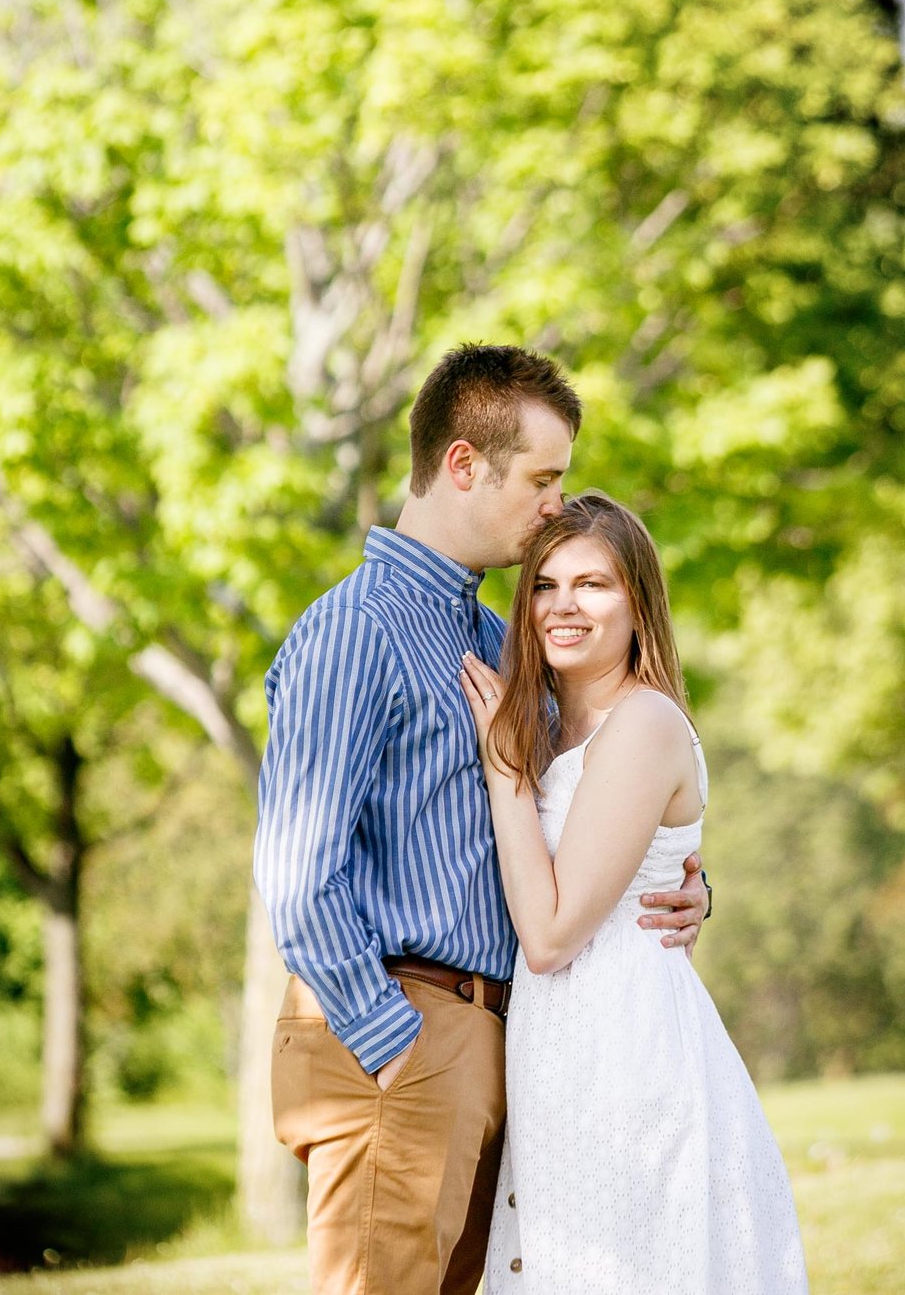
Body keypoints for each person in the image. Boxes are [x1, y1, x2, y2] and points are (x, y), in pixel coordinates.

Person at [254, 346, 709, 1295]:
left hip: (509, 1036)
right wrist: (396, 1046)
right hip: (400, 1026)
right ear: (464, 464)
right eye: (544, 478)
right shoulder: (358, 628)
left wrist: (678, 882)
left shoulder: (481, 631)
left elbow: (578, 811)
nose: (555, 505)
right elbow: (299, 872)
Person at [460, 491, 809, 1294]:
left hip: (626, 1048)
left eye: (594, 584)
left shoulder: (643, 723)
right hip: (561, 1045)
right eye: (545, 584)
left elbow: (548, 938)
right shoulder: (554, 724)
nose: (563, 605)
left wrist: (504, 774)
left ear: (639, 605)